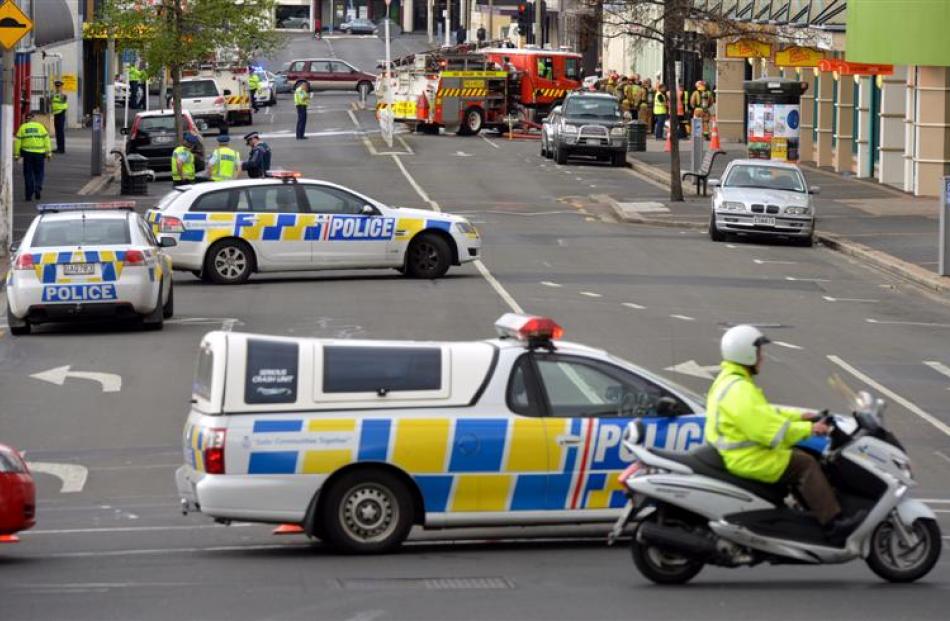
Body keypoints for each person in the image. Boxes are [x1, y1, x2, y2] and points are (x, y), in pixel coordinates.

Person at [705, 325, 868, 546]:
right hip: (747, 458)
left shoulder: (732, 381)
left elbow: (767, 413)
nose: (763, 357)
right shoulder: (739, 389)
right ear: (747, 353)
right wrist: (810, 430)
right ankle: (833, 525)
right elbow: (769, 431)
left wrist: (803, 416)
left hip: (742, 454)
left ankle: (804, 511)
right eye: (760, 352)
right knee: (806, 463)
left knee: (800, 454)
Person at [14, 111, 52, 201]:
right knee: (39, 173)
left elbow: (17, 142)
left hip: (27, 154)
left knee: (28, 174)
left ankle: (28, 194)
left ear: (25, 119)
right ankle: (37, 187)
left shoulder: (22, 128)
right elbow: (47, 140)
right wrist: (49, 153)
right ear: (34, 118)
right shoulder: (40, 127)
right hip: (39, 154)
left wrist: (16, 155)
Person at [51, 80, 68, 154]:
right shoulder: (54, 95)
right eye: (56, 86)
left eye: (59, 86)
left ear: (61, 87)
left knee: (60, 132)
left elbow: (63, 98)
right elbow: (51, 102)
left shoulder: (63, 95)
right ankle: (59, 147)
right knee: (57, 132)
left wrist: (59, 93)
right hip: (56, 114)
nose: (58, 88)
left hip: (61, 113)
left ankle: (61, 149)